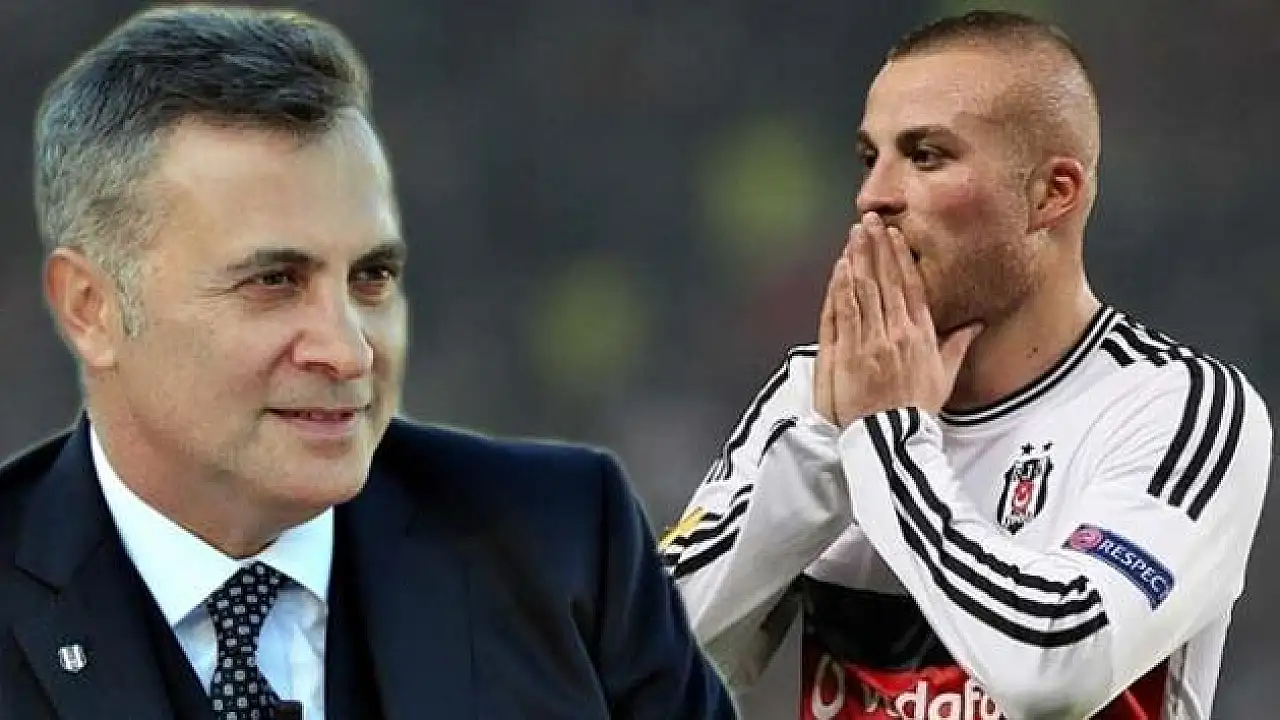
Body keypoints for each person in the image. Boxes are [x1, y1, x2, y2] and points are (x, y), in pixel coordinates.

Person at [0, 6, 735, 719]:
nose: (349, 351)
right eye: (274, 281)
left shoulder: (561, 544)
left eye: (370, 277)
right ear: (91, 308)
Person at [660, 10, 1271, 720]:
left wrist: (886, 437)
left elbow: (1058, 671)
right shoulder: (820, 398)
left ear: (1052, 194)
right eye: (870, 157)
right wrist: (823, 447)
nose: (873, 196)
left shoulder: (1175, 406)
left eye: (925, 156)